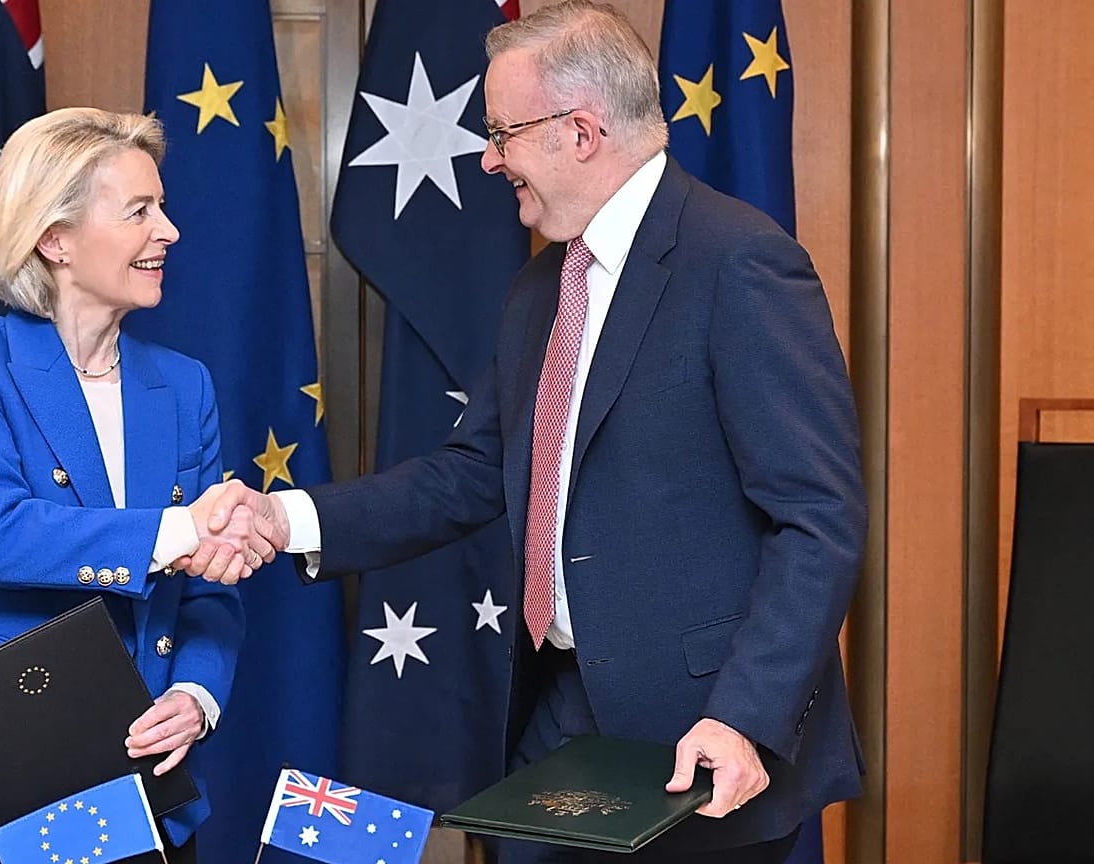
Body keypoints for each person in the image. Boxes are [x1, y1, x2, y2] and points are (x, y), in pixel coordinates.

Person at [195, 3, 866, 861]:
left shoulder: (737, 262)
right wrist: (285, 519)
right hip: (556, 710)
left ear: (581, 131)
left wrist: (743, 717)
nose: (489, 156)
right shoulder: (544, 286)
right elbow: (472, 474)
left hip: (702, 735)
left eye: (504, 132)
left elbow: (818, 518)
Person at [0, 107, 278, 863]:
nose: (169, 231)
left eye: (162, 207)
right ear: (54, 239)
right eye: (140, 211)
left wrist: (195, 696)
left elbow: (212, 590)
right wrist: (186, 531)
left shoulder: (184, 386)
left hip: (137, 772)